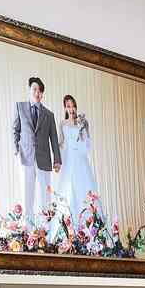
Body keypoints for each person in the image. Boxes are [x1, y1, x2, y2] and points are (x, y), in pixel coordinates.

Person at [12, 77, 61, 224]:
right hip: (25, 157)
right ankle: (28, 231)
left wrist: (57, 159)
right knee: (27, 194)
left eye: (40, 91)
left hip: (44, 159)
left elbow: (54, 138)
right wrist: (16, 150)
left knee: (44, 195)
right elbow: (15, 130)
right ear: (30, 90)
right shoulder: (19, 107)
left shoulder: (49, 115)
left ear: (42, 94)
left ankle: (45, 231)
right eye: (35, 89)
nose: (37, 93)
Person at [55, 95, 105, 232]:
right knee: (68, 190)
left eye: (73, 106)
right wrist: (56, 159)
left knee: (83, 189)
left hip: (80, 160)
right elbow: (60, 142)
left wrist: (85, 129)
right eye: (68, 106)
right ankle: (69, 227)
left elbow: (86, 144)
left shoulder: (81, 123)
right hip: (68, 160)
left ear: (76, 107)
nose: (71, 109)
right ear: (65, 108)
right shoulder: (62, 124)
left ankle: (89, 226)